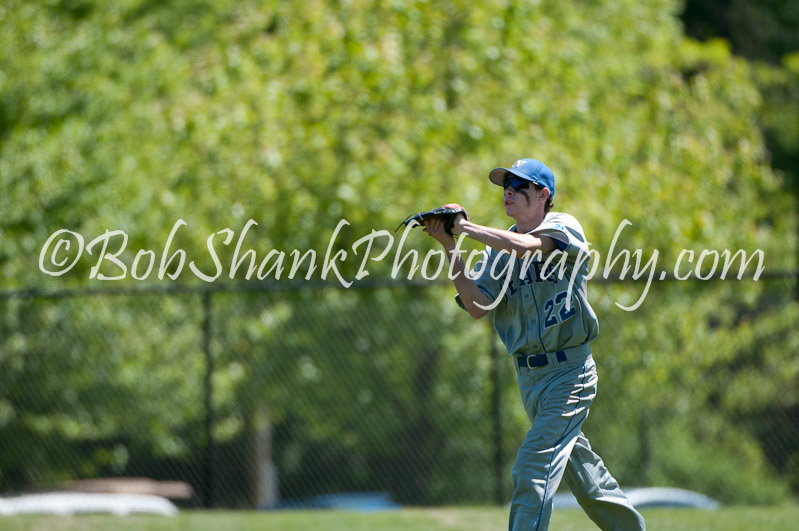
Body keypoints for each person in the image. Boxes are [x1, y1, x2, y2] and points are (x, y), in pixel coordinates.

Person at [423, 158, 646, 531]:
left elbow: (525, 246)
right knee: (589, 484)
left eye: (519, 185)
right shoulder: (495, 252)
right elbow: (477, 306)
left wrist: (464, 226)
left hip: (569, 373)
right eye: (505, 185)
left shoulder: (563, 227)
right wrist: (450, 244)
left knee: (533, 465)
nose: (508, 191)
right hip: (530, 381)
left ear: (544, 195)